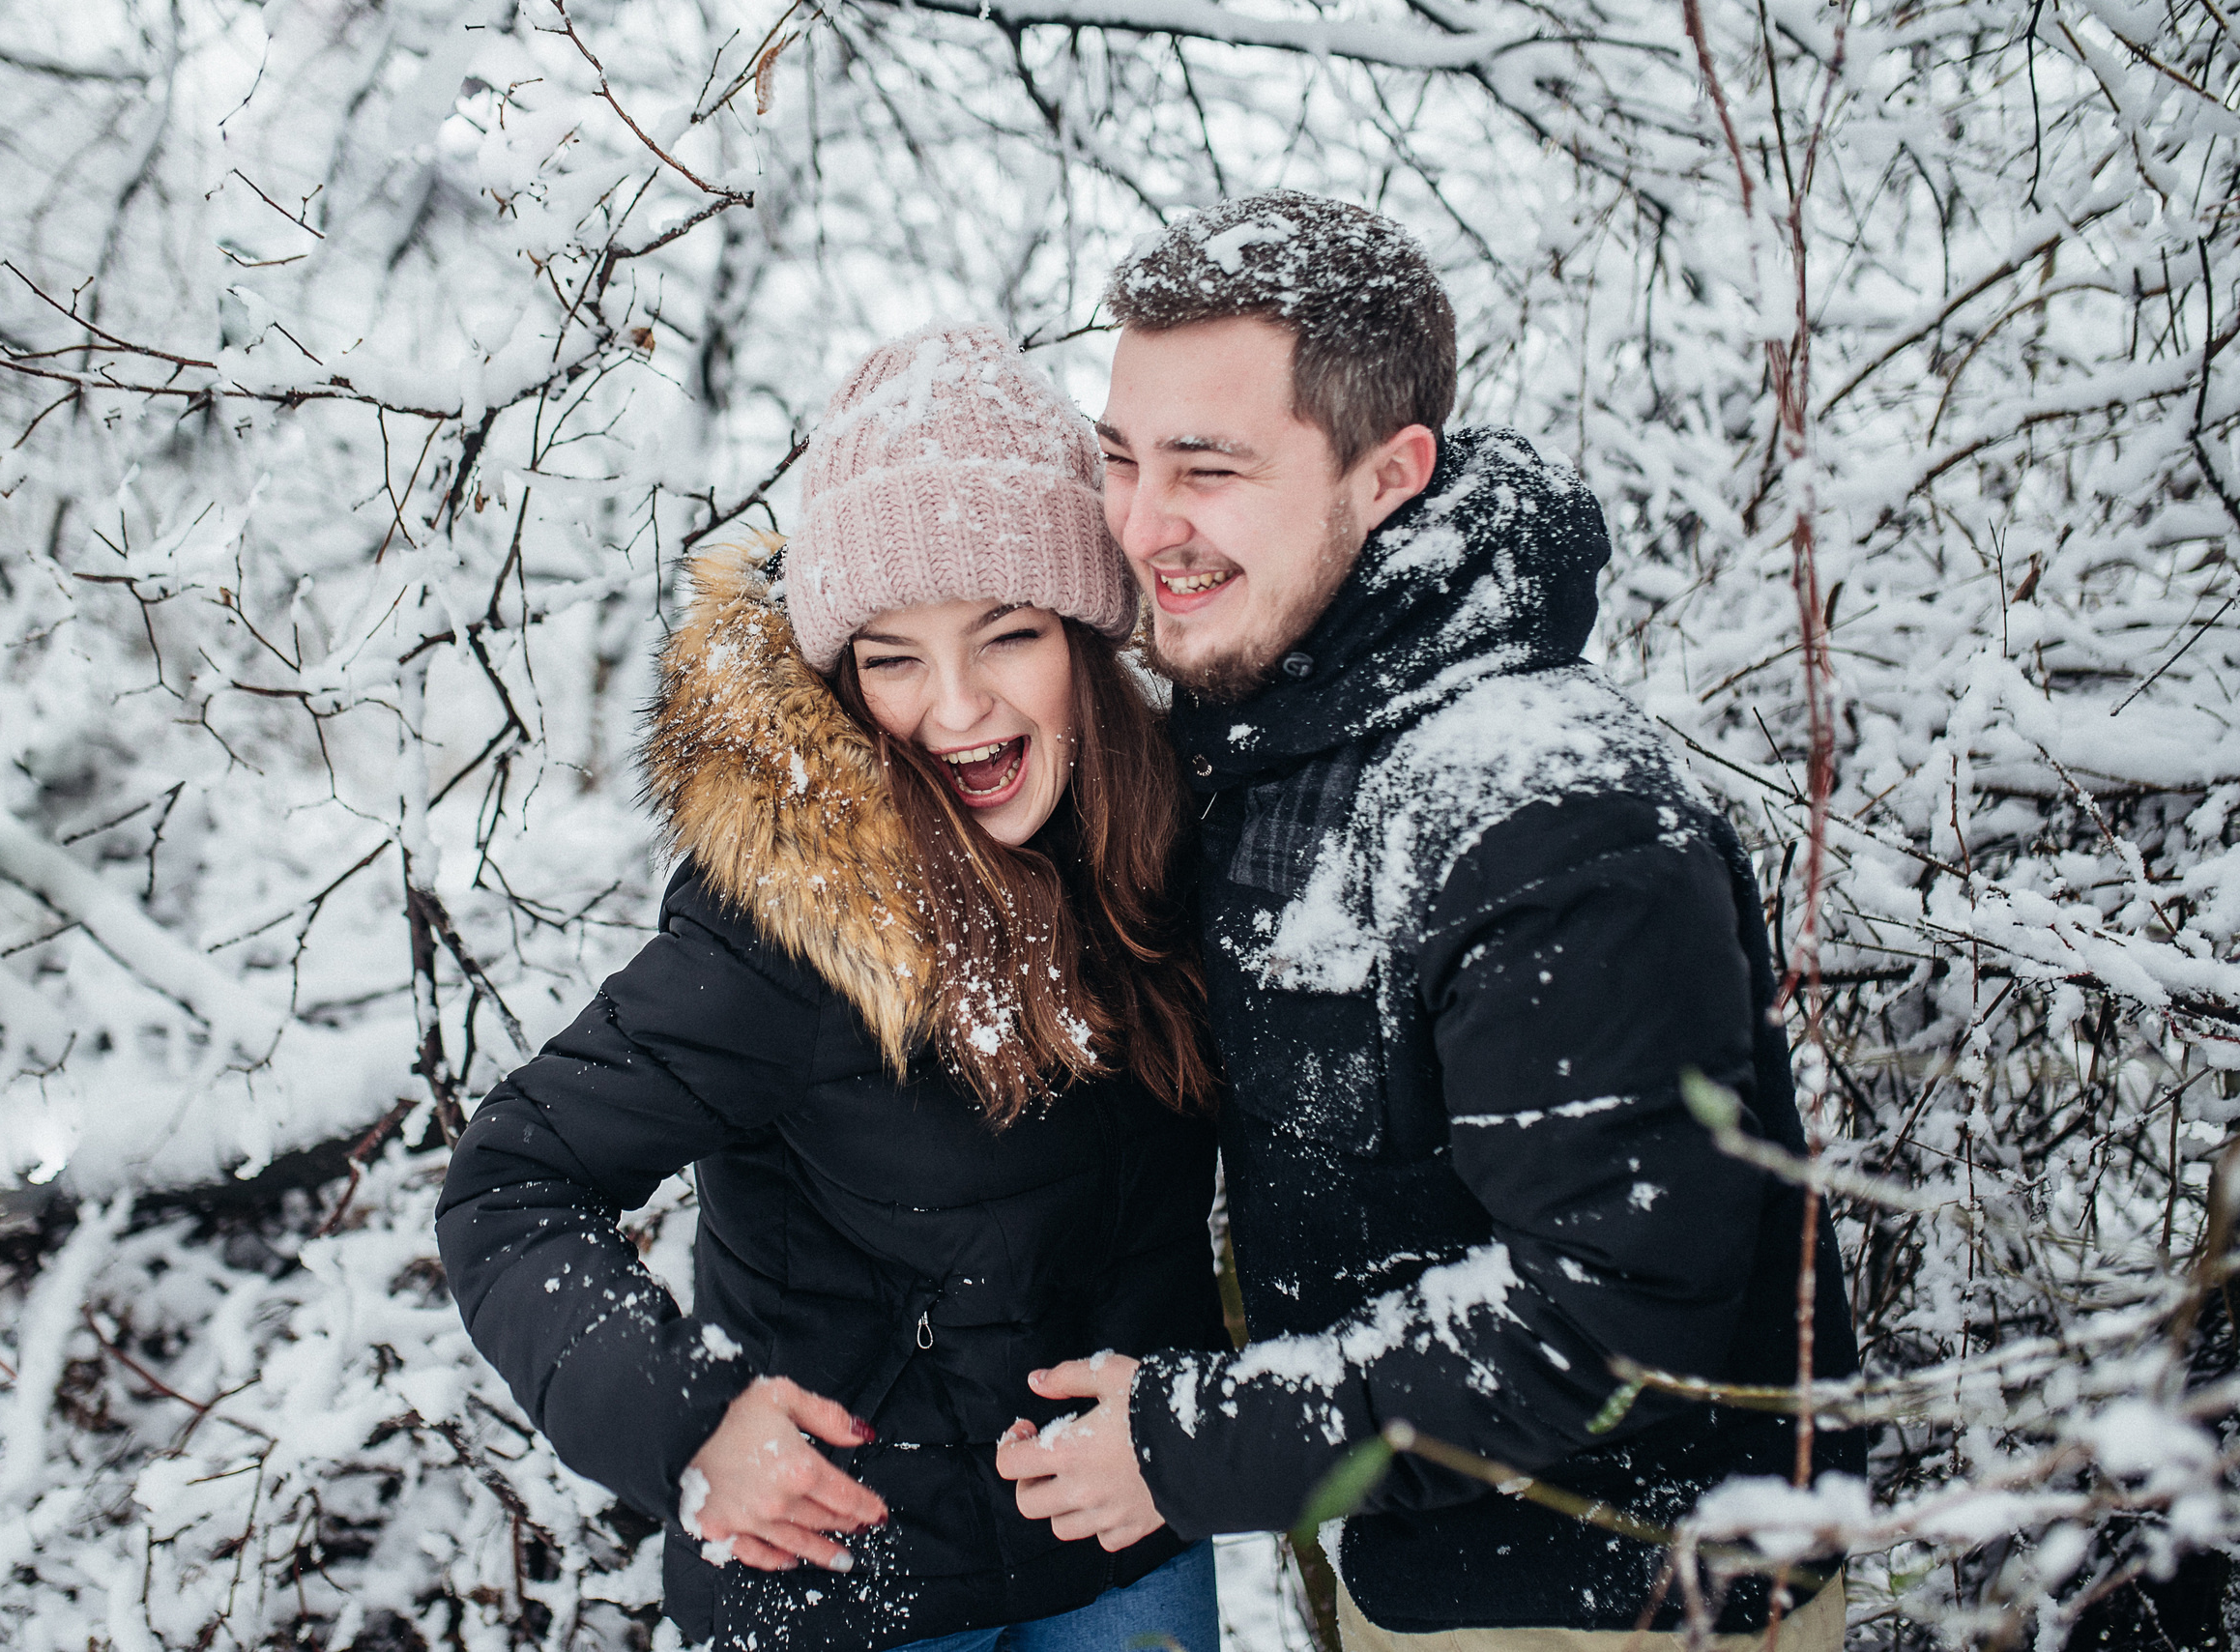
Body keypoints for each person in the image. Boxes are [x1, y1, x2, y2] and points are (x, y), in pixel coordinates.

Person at [993, 191, 1866, 1650]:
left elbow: (1615, 1320)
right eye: (1122, 458)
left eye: (1207, 468)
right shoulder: (1275, 737)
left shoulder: (1551, 814)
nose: (1141, 527)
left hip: (1632, 1599)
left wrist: (1190, 1441)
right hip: (1426, 1565)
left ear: (1391, 474)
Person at [437, 323, 1230, 1652]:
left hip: (1120, 1554)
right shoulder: (788, 927)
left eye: (1008, 632)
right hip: (852, 1583)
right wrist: (691, 1421)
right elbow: (508, 1183)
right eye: (893, 655)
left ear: (1087, 637)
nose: (957, 707)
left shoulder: (1166, 864)